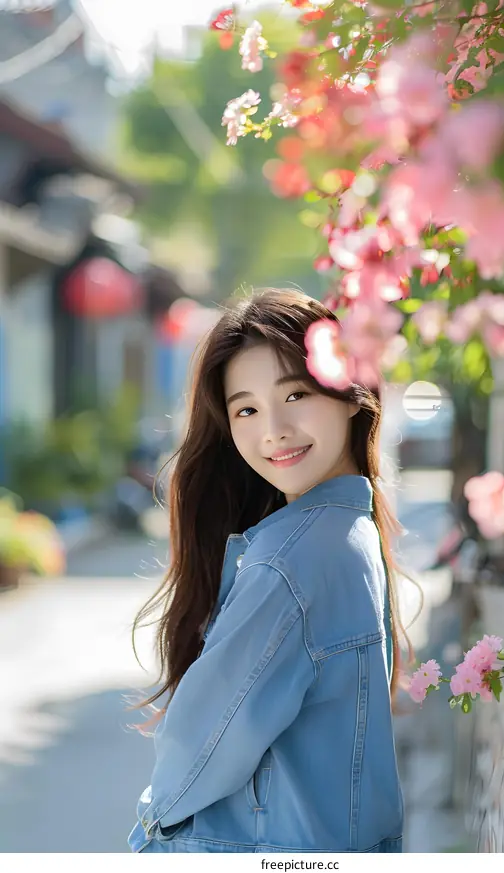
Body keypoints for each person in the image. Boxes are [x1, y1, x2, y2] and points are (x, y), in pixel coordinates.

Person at [127, 288, 405, 854]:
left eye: (296, 394)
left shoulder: (295, 560)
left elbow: (200, 744)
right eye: (246, 409)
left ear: (352, 394)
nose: (272, 429)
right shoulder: (354, 533)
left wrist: (152, 831)